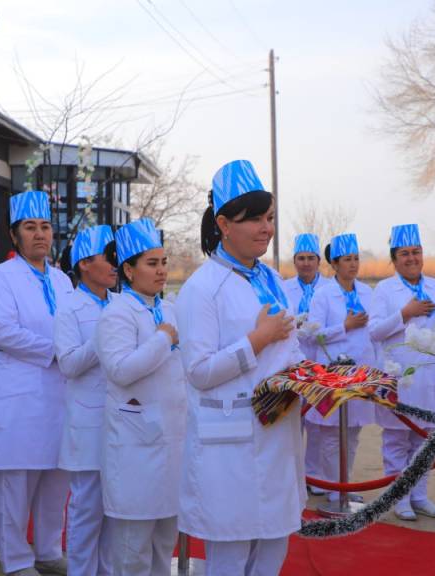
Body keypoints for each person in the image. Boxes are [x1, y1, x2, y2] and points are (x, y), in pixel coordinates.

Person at [175, 159, 303, 576]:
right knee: (229, 557)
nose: (266, 228)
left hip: (277, 432)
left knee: (273, 549)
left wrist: (314, 379)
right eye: (255, 219)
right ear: (224, 224)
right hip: (228, 442)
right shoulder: (202, 288)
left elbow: (290, 349)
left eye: (270, 218)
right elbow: (198, 371)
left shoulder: (272, 280)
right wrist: (257, 339)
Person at [0, 190, 73, 576]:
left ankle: (49, 551)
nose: (39, 234)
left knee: (56, 480)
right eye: (30, 227)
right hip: (20, 397)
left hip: (60, 397)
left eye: (45, 226)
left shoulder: (63, 280)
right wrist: (56, 351)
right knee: (16, 485)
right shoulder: (1, 277)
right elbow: (3, 331)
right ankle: (17, 559)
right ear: (14, 235)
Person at [96, 218, 186, 576]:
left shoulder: (169, 309)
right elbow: (120, 369)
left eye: (163, 262)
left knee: (165, 542)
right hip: (135, 446)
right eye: (152, 263)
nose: (161, 270)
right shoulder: (116, 313)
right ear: (129, 270)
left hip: (171, 443)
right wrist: (163, 339)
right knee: (132, 550)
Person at [369, 223, 435, 522]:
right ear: (394, 259)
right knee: (397, 441)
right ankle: (399, 497)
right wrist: (404, 313)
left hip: (433, 377)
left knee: (425, 441)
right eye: (404, 253)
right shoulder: (384, 290)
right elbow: (374, 331)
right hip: (401, 377)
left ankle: (419, 495)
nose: (412, 258)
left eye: (416, 252)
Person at [54, 225, 117, 576]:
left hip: (122, 419)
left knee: (114, 510)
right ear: (84, 264)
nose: (115, 264)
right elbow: (68, 364)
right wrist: (103, 339)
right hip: (88, 422)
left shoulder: (121, 303)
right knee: (86, 509)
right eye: (108, 258)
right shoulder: (69, 308)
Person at [306, 233, 375, 504]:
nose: (353, 264)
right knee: (331, 435)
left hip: (360, 373)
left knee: (353, 433)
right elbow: (313, 334)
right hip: (331, 374)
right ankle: (334, 488)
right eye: (347, 259)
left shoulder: (367, 293)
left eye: (356, 258)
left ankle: (345, 484)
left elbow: (374, 333)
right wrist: (344, 327)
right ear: (334, 264)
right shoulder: (323, 295)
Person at [281, 232, 332, 496]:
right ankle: (291, 476)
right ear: (295, 261)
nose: (306, 263)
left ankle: (314, 475)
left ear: (318, 260)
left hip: (321, 363)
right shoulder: (284, 288)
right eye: (300, 258)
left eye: (310, 258)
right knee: (292, 422)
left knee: (317, 424)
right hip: (292, 363)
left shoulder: (330, 289)